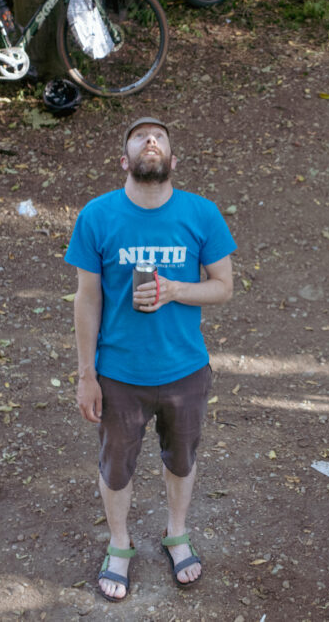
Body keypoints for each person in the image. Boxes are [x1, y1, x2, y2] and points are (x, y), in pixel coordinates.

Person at [65, 117, 236, 602]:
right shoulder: (97, 217)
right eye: (140, 137)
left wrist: (175, 290)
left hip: (184, 368)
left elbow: (223, 287)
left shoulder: (201, 214)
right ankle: (119, 544)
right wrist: (86, 374)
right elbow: (86, 300)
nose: (151, 141)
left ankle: (176, 534)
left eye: (159, 137)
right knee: (116, 467)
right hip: (118, 374)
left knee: (180, 460)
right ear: (125, 160)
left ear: (173, 161)